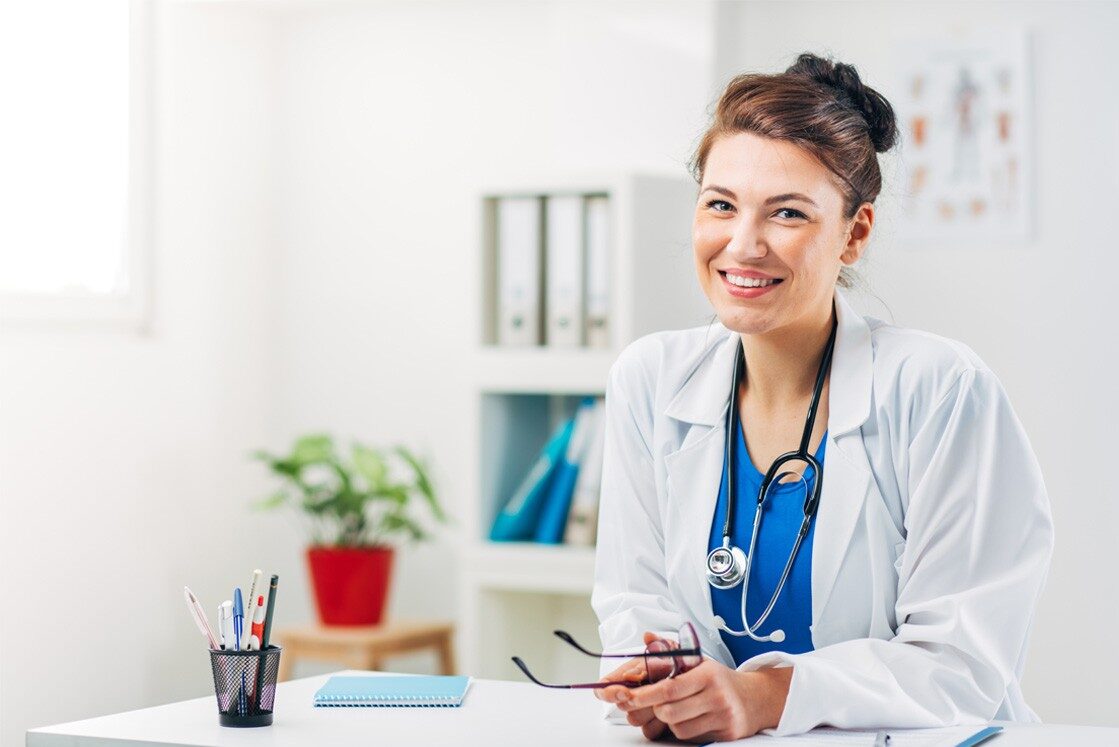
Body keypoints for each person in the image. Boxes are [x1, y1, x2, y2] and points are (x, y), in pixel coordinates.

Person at [590, 52, 1054, 743]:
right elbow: (634, 601)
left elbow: (961, 666)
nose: (741, 245)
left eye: (787, 213)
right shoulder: (650, 378)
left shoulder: (939, 390)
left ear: (854, 232)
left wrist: (762, 694)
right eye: (720, 204)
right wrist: (657, 676)